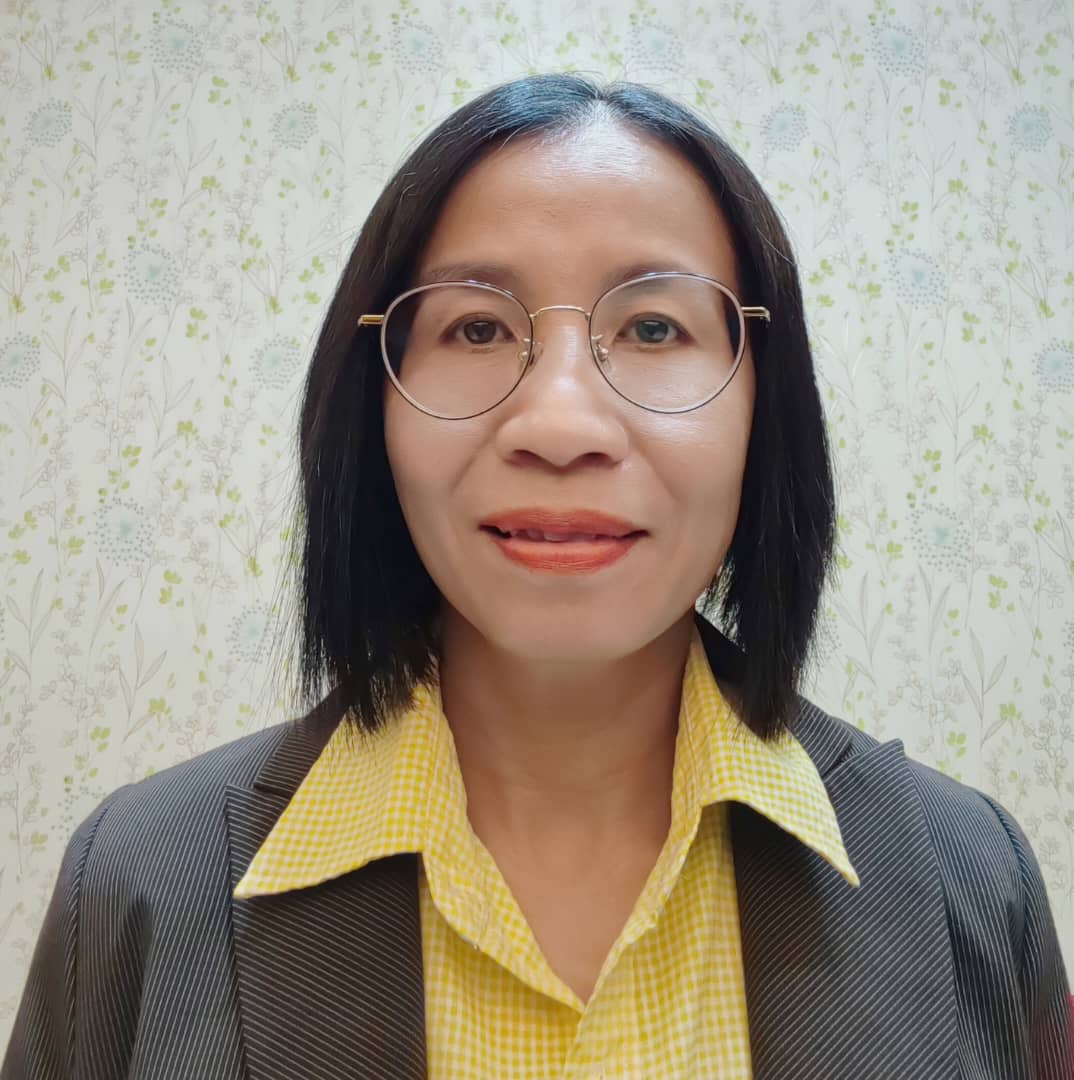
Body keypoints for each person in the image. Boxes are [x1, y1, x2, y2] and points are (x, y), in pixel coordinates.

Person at [3, 73, 1071, 1080]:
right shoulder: (138, 882)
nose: (560, 425)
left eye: (653, 326)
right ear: (374, 405)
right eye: (475, 327)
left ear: (765, 403)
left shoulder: (970, 878)